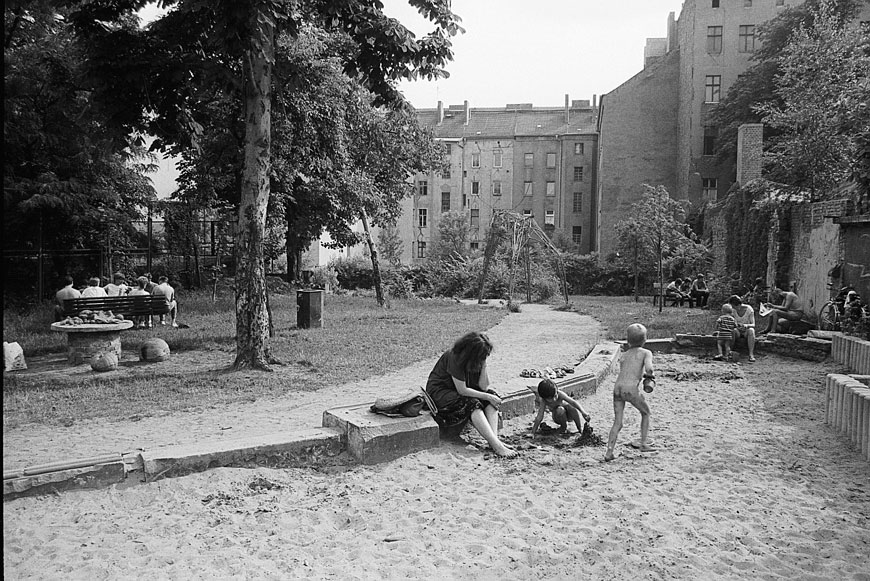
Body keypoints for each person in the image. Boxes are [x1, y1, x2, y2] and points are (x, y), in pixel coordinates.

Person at [425, 332, 517, 458]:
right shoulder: (454, 357)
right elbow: (462, 390)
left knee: (491, 397)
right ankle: (496, 445)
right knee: (473, 403)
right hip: (441, 393)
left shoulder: (477, 360)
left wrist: (484, 366)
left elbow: (484, 387)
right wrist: (487, 397)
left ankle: (494, 440)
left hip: (459, 391)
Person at [605, 323, 654, 461]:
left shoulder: (624, 355)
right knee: (646, 413)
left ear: (628, 340)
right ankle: (643, 443)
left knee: (618, 422)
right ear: (645, 340)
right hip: (630, 389)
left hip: (617, 389)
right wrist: (650, 378)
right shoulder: (646, 353)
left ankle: (609, 452)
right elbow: (649, 369)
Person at [727, 295, 757, 362]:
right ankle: (729, 352)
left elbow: (753, 324)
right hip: (737, 330)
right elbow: (731, 322)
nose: (733, 308)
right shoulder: (733, 311)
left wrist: (746, 325)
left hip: (746, 330)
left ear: (739, 305)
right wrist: (736, 325)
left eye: (734, 306)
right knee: (732, 331)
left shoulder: (749, 309)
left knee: (751, 331)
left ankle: (751, 354)